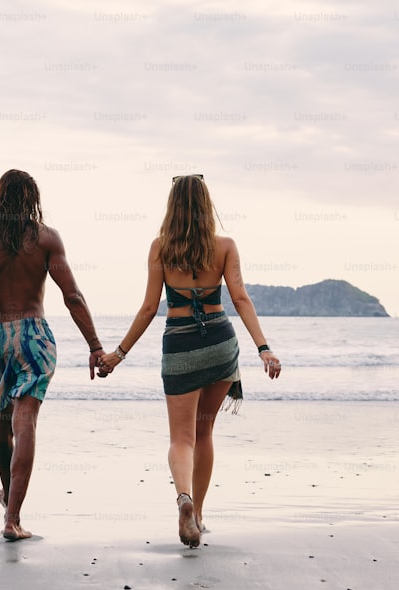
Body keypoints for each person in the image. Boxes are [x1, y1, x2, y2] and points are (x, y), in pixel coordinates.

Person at [98, 174, 282, 548]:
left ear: (172, 205)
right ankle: (197, 514)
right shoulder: (225, 246)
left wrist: (118, 354)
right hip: (219, 342)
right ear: (206, 204)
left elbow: (150, 307)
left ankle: (183, 498)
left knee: (181, 438)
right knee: (204, 432)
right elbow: (241, 298)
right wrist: (264, 348)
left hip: (180, 345)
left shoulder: (160, 248)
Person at [0, 169, 104, 541]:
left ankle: (9, 499)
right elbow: (72, 295)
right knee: (25, 421)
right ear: (33, 199)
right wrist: (95, 346)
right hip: (34, 337)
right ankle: (12, 518)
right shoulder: (46, 240)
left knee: (2, 422)